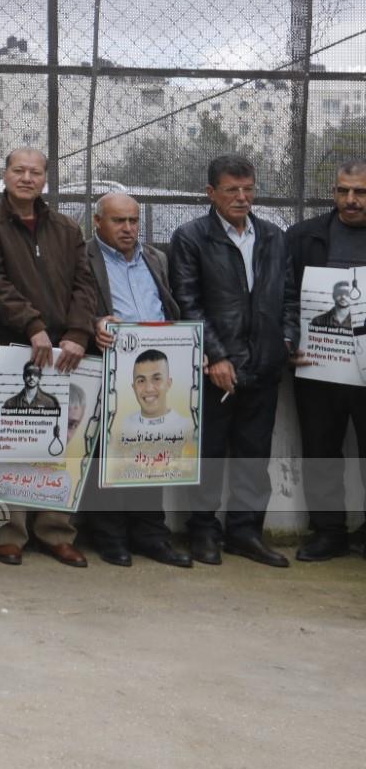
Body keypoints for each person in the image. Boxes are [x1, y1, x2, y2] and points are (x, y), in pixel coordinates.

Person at [0, 146, 96, 567]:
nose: (26, 178)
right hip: (12, 348)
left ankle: (55, 531)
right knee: (12, 442)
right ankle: (9, 532)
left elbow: (85, 284)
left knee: (60, 441)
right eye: (19, 170)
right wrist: (32, 325)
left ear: (45, 179)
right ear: (4, 175)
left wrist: (77, 334)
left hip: (65, 353)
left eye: (35, 172)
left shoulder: (67, 228)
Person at [168, 154, 289, 567]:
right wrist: (215, 355)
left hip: (264, 365)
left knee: (254, 457)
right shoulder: (191, 237)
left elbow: (289, 295)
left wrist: (286, 341)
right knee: (209, 454)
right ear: (211, 192)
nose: (242, 197)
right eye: (232, 190)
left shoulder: (273, 236)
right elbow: (187, 302)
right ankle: (202, 531)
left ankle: (246, 533)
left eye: (248, 189)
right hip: (214, 370)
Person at [84, 192, 189, 567]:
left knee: (152, 448)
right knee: (108, 454)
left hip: (155, 364)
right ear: (98, 222)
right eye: (118, 221)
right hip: (108, 365)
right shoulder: (83, 257)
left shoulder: (155, 258)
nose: (128, 228)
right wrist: (93, 324)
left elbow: (170, 306)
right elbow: (69, 304)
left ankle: (151, 535)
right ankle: (109, 536)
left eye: (133, 220)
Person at [285, 160, 366, 561]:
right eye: (343, 191)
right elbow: (284, 294)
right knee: (320, 450)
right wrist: (288, 340)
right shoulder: (304, 237)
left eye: (360, 192)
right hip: (318, 365)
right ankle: (328, 532)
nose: (351, 200)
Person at [114, 350, 192, 439]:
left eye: (156, 379)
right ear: (134, 387)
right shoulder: (121, 427)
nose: (149, 389)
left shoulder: (189, 427)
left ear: (168, 383)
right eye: (141, 381)